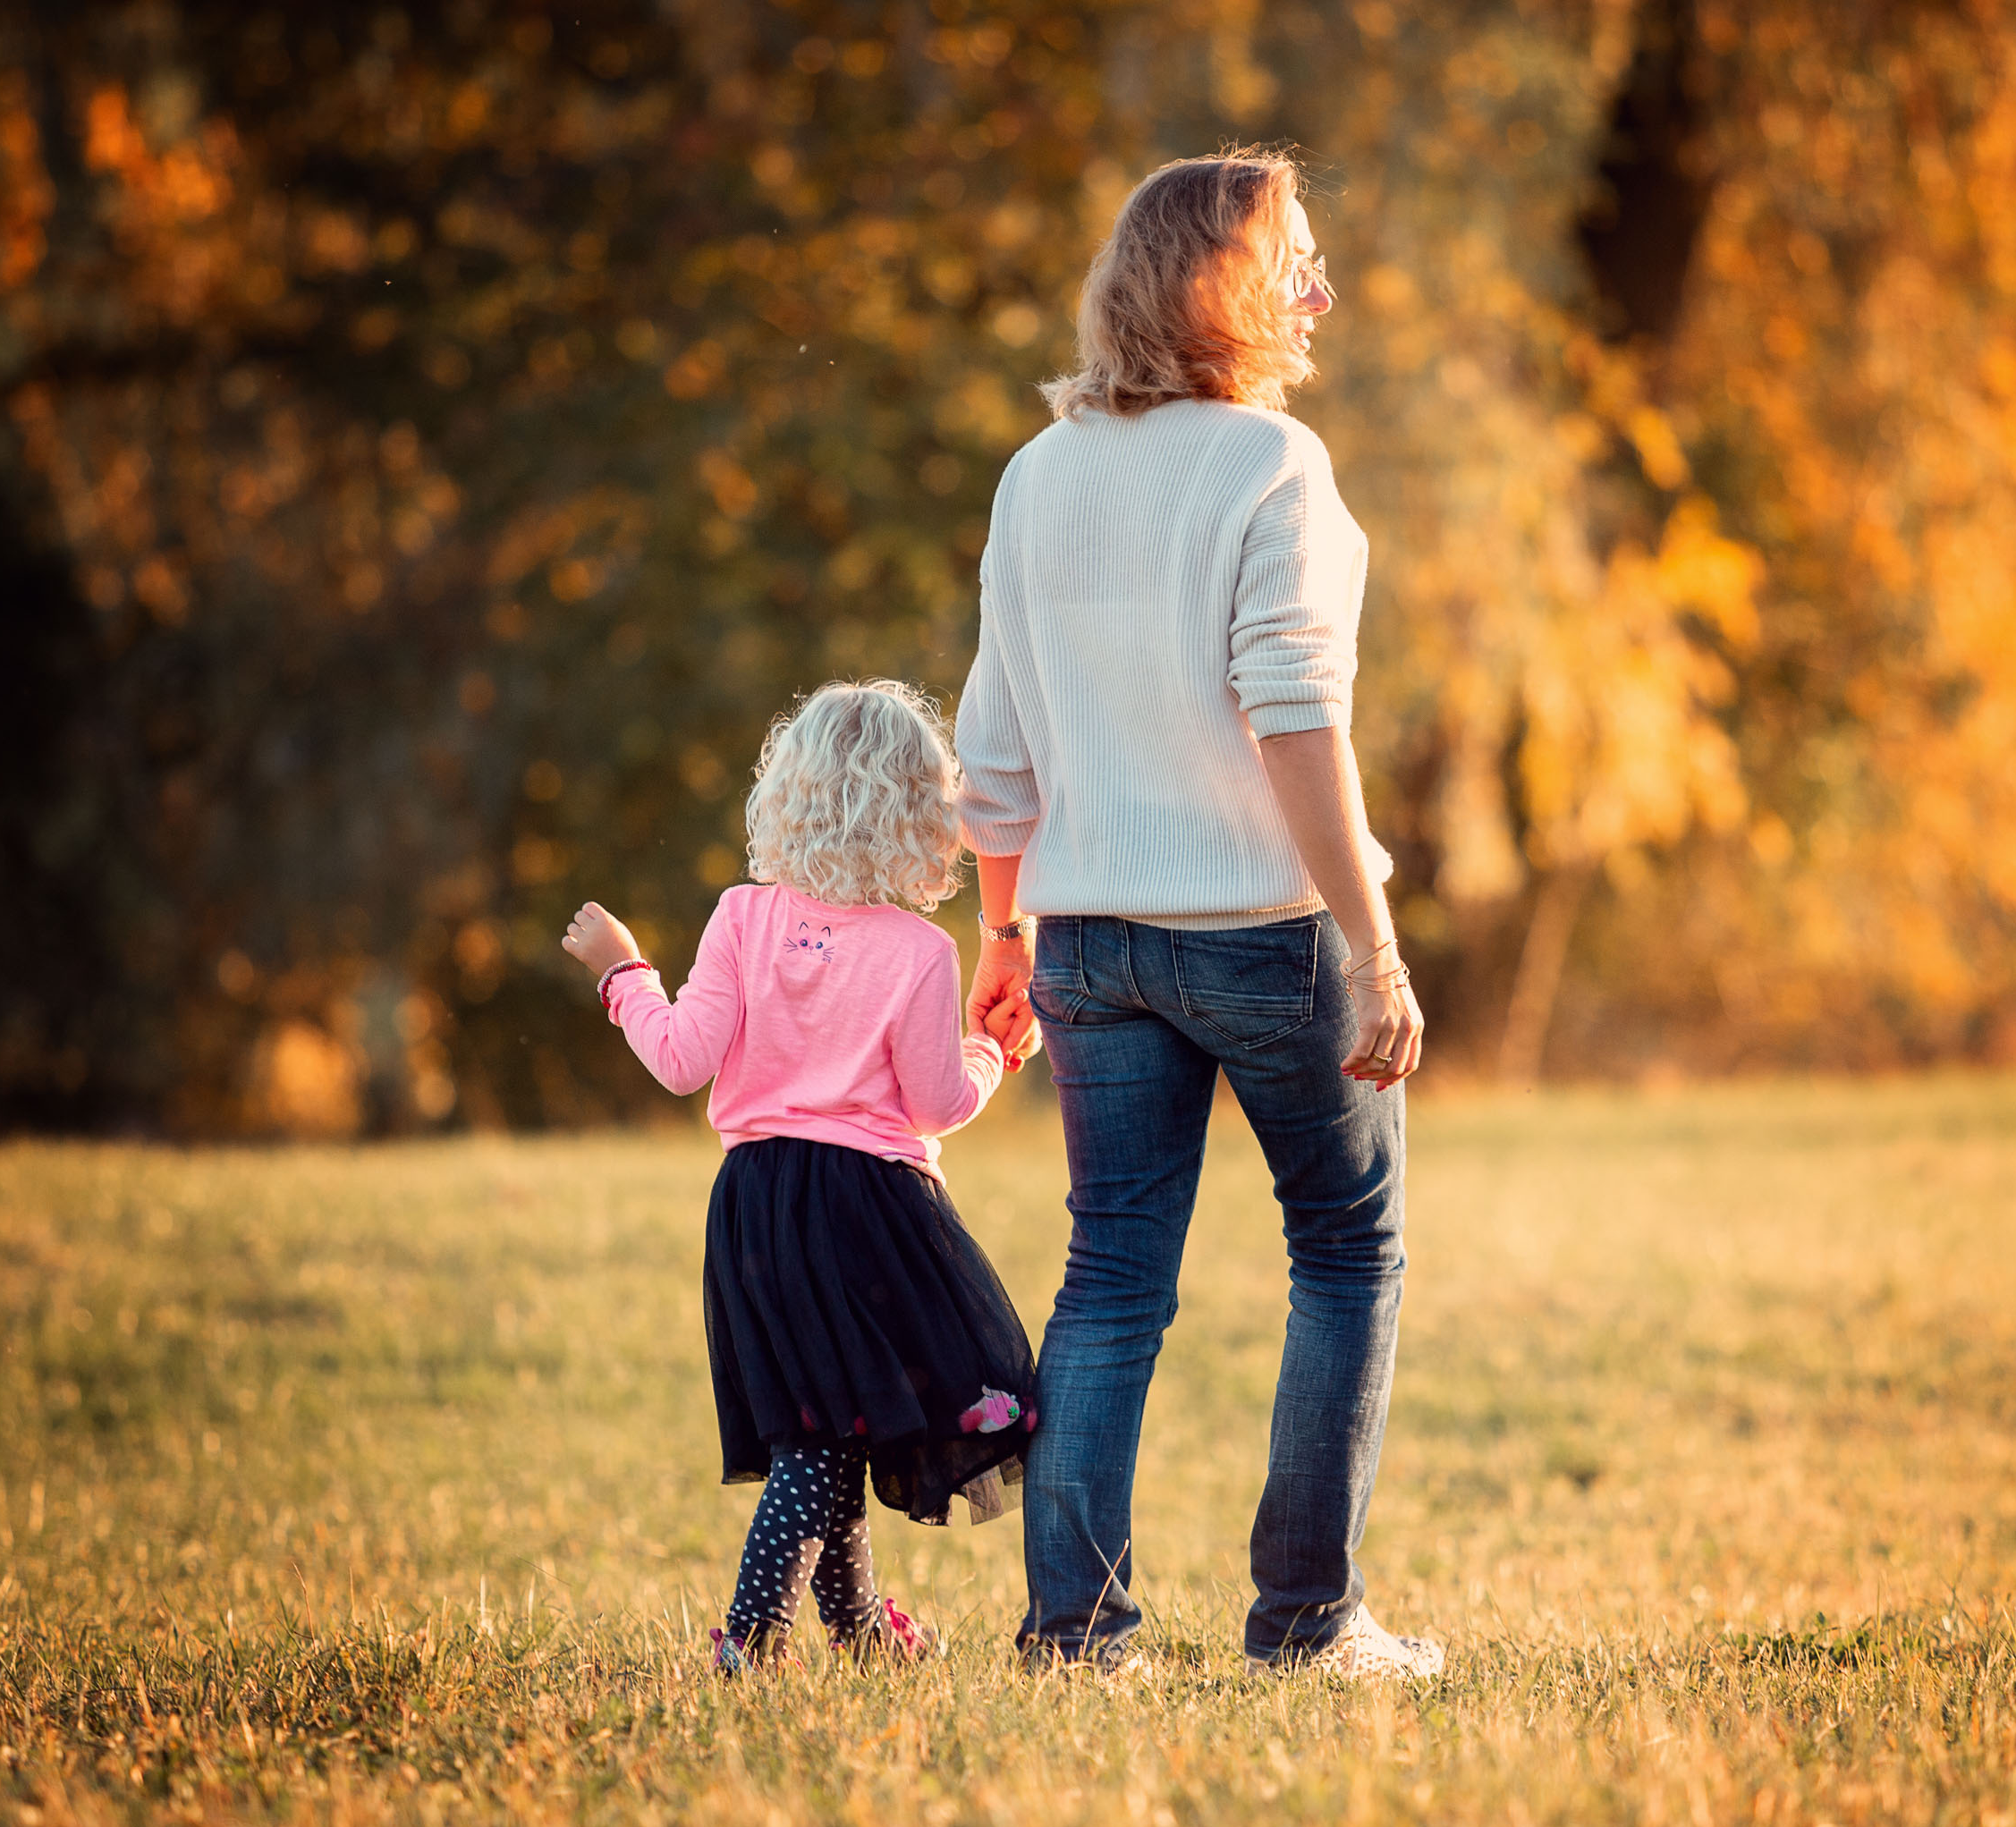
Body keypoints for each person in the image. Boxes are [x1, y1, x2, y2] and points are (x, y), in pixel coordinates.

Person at [956, 151, 1437, 1679]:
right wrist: (1374, 947)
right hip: (1255, 929)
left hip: (1089, 937)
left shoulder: (1037, 473)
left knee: (1109, 1272)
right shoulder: (1268, 466)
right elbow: (1295, 715)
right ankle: (1306, 1623)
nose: (1316, 290)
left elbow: (993, 744)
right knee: (1347, 1249)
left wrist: (1004, 930)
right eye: (1292, 259)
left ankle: (1073, 1633)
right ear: (1222, 287)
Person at [560, 679, 1040, 1674]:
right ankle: (753, 1631)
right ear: (921, 814)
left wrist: (624, 976)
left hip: (759, 1210)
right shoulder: (915, 948)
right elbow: (938, 1104)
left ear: (790, 793)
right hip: (869, 1215)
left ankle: (860, 1623)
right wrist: (996, 1052)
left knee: (831, 1419)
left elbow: (683, 1059)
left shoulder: (742, 916)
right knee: (829, 1432)